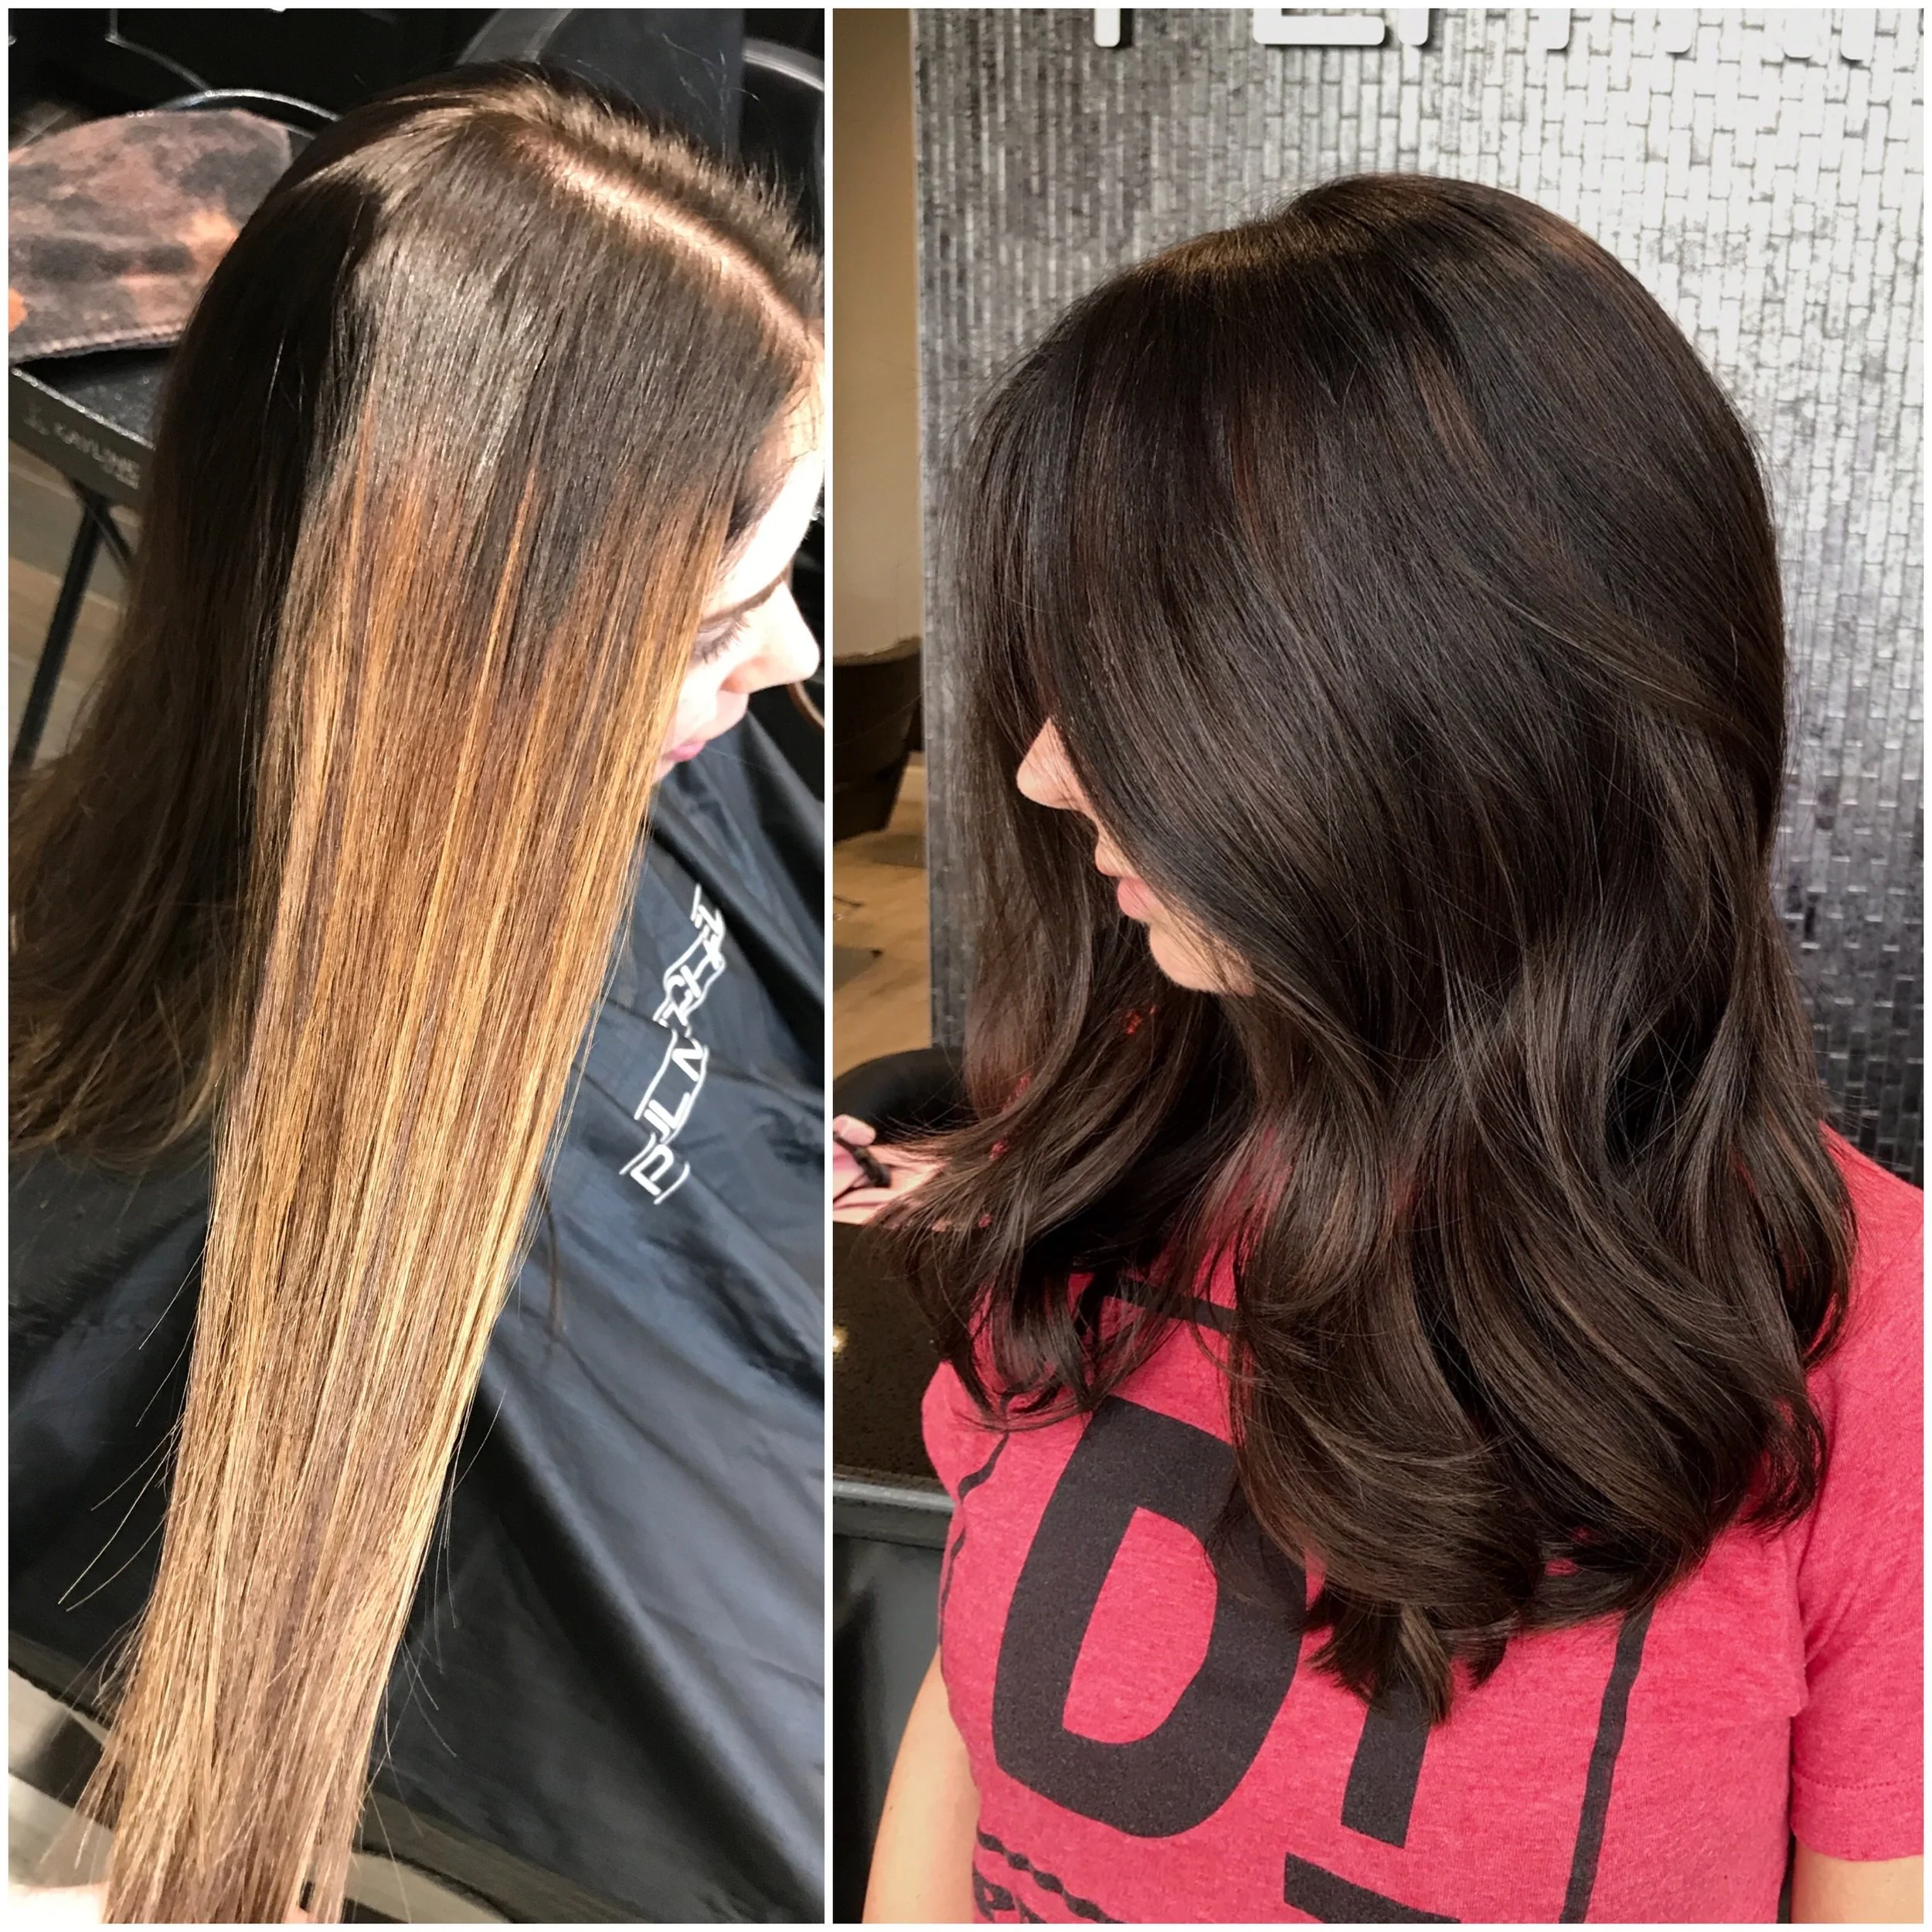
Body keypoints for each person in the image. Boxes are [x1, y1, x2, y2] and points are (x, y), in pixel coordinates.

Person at [858, 175, 1922, 1924]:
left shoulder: (1869, 1347)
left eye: (1140, 680)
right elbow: (963, 1751)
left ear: (1440, 705)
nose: (1046, 771)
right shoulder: (1107, 1150)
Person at [12, 66, 824, 1924]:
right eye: (714, 623)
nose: (786, 660)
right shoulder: (157, 1213)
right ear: (477, 671)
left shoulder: (658, 810)